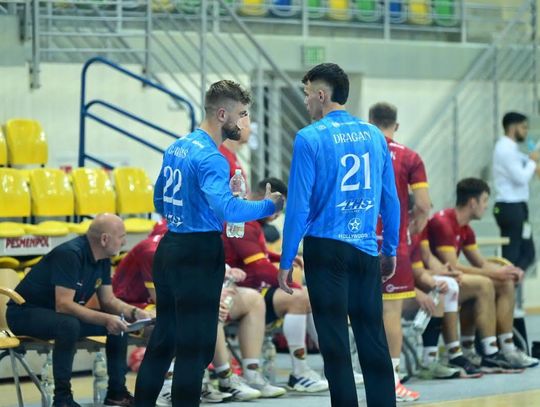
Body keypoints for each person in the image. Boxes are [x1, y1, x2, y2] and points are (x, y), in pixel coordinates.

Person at [134, 80, 284, 407]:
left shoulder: (177, 147)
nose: (244, 122)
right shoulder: (213, 158)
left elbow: (159, 200)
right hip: (198, 254)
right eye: (241, 114)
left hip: (170, 247)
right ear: (222, 114)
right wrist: (268, 206)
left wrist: (192, 210)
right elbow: (228, 210)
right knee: (195, 347)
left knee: (163, 341)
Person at [278, 63, 400, 407]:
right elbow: (390, 200)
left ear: (321, 94)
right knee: (373, 339)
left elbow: (298, 207)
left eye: (306, 95)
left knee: (334, 345)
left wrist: (286, 260)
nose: (305, 102)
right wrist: (390, 248)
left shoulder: (309, 137)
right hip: (365, 249)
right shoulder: (374, 135)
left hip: (325, 250)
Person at [6, 214, 152, 407]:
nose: (124, 242)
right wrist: (106, 319)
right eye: (121, 237)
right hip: (24, 314)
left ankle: (116, 392)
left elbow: (108, 300)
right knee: (69, 325)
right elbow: (64, 305)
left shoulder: (103, 258)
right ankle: (62, 398)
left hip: (57, 316)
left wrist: (135, 313)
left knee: (120, 324)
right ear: (104, 239)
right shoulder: (70, 254)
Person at [222, 178, 330, 393]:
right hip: (239, 290)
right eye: (278, 207)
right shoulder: (243, 221)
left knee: (309, 297)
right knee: (298, 297)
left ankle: (333, 363)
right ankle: (300, 372)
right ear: (267, 196)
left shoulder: (252, 221)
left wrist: (279, 258)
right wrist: (290, 282)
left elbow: (256, 256)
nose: (278, 214)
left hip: (250, 288)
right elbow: (259, 268)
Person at [427, 178, 538, 370]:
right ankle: (490, 351)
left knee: (505, 282)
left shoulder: (466, 229)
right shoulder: (443, 222)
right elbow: (452, 266)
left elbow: (481, 263)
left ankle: (507, 349)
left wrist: (507, 271)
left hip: (452, 280)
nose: (487, 206)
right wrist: (493, 274)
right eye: (485, 200)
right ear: (473, 202)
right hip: (434, 282)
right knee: (483, 284)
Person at [368, 102, 431, 402]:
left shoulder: (361, 149)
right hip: (392, 244)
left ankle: (363, 372)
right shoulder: (409, 156)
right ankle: (391, 381)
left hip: (357, 239)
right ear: (396, 125)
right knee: (391, 312)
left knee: (361, 309)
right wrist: (414, 225)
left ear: (370, 122)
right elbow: (423, 204)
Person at [493, 112, 538, 273]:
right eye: (523, 127)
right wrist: (533, 162)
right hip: (510, 207)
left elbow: (525, 160)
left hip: (517, 206)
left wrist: (532, 161)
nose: (526, 131)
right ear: (513, 127)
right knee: (512, 256)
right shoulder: (505, 149)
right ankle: (506, 283)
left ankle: (512, 282)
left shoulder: (511, 148)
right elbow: (521, 177)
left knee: (528, 253)